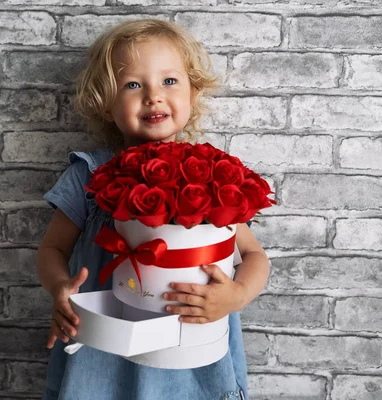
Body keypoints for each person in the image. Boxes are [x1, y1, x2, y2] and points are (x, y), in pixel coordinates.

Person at [36, 19, 270, 400]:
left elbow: (254, 254)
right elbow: (52, 249)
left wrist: (238, 294)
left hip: (191, 342)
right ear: (106, 102)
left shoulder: (211, 179)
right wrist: (59, 288)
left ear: (193, 92)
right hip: (106, 345)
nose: (153, 96)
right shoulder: (88, 175)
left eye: (170, 81)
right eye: (132, 85)